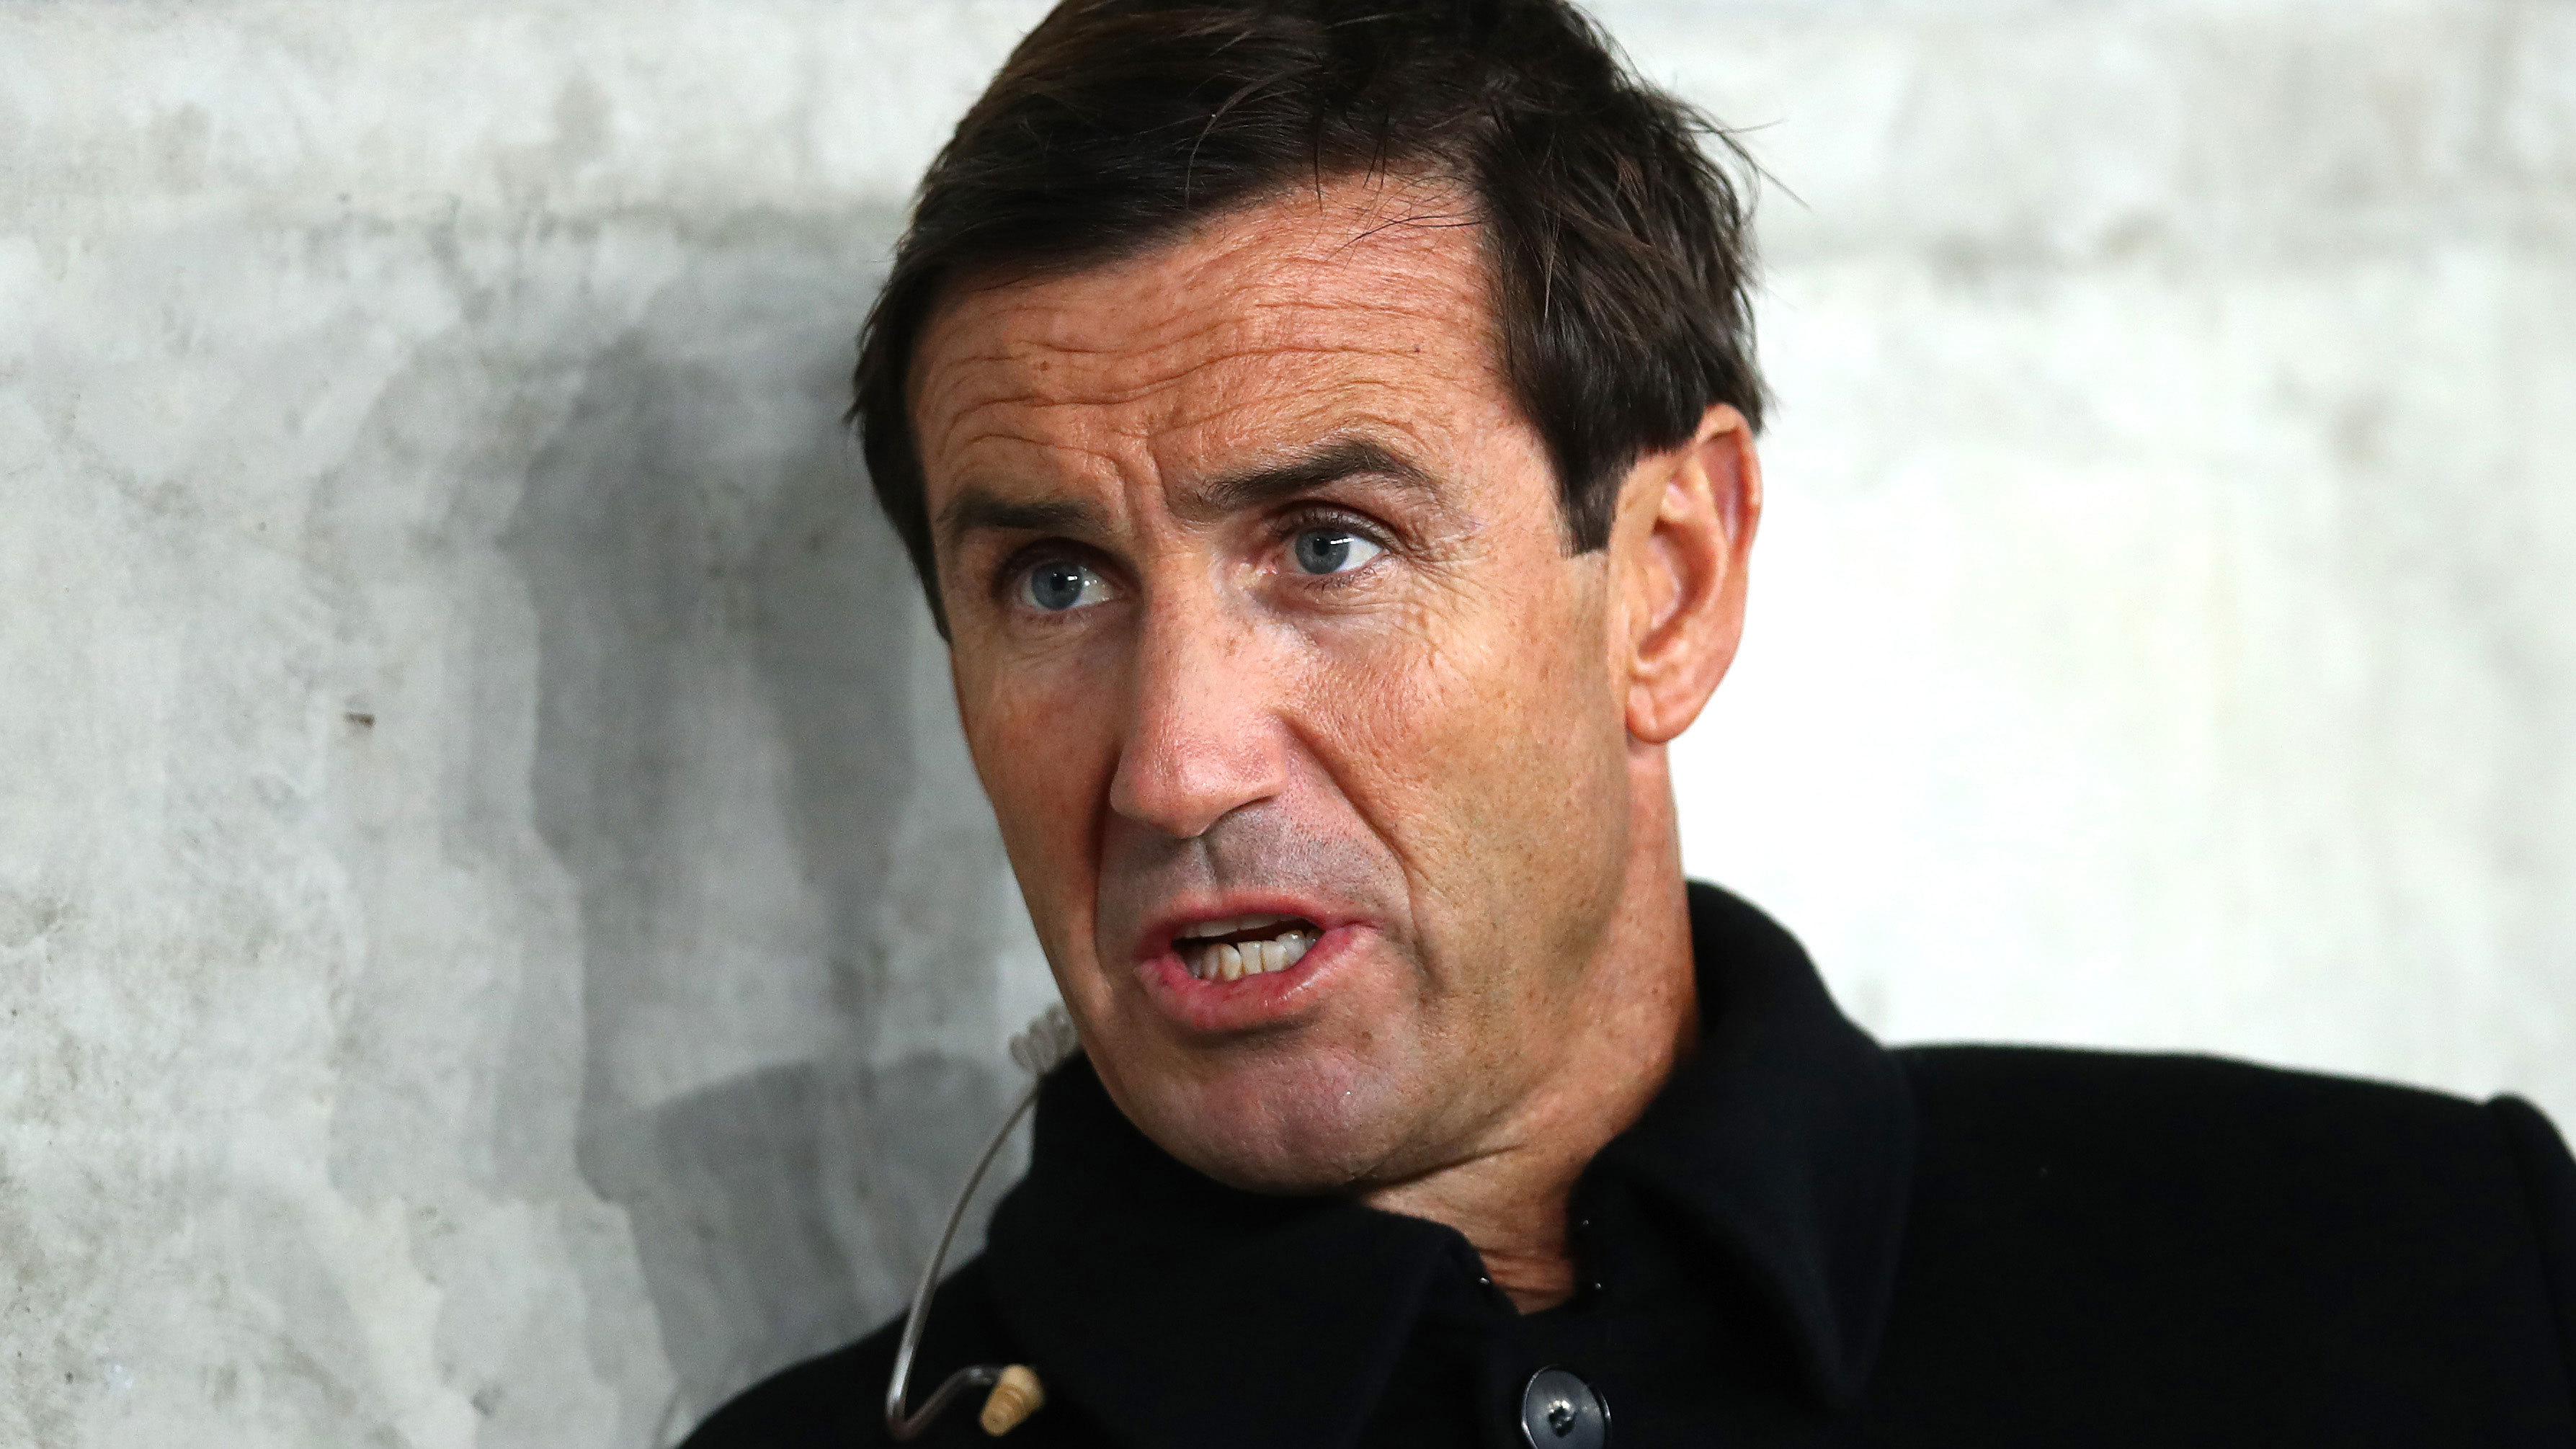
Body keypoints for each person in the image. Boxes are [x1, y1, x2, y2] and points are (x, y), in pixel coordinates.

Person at [685, 1, 2576, 1443]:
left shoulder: (2428, 1279)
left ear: (1667, 582)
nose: (1177, 764)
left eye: (1327, 544)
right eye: (1055, 583)